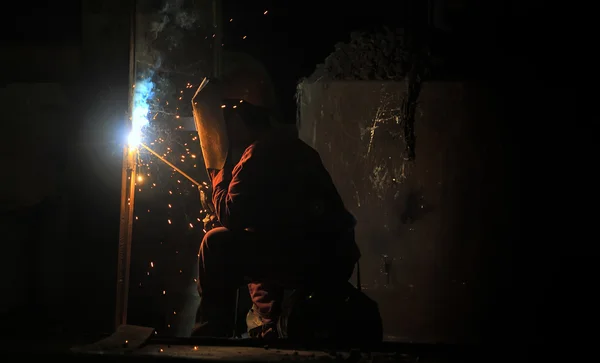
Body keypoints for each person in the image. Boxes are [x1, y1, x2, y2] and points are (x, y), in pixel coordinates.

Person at [192, 91, 360, 338]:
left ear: (240, 121)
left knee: (215, 244)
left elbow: (231, 213)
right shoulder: (293, 148)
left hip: (312, 258)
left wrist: (218, 177)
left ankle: (210, 336)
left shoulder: (260, 153)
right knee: (257, 240)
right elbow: (267, 220)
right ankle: (269, 322)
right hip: (328, 256)